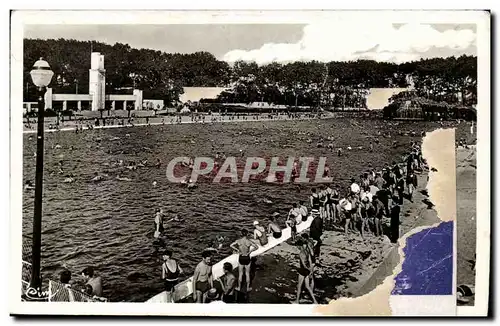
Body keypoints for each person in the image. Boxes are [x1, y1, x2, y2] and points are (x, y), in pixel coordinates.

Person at [294, 238, 318, 304]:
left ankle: (297, 301)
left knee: (299, 286)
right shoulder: (306, 251)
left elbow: (303, 264)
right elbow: (310, 261)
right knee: (307, 286)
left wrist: (307, 269)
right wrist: (311, 270)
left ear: (299, 246)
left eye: (297, 246)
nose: (297, 248)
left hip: (303, 271)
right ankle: (315, 301)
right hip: (307, 271)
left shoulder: (301, 253)